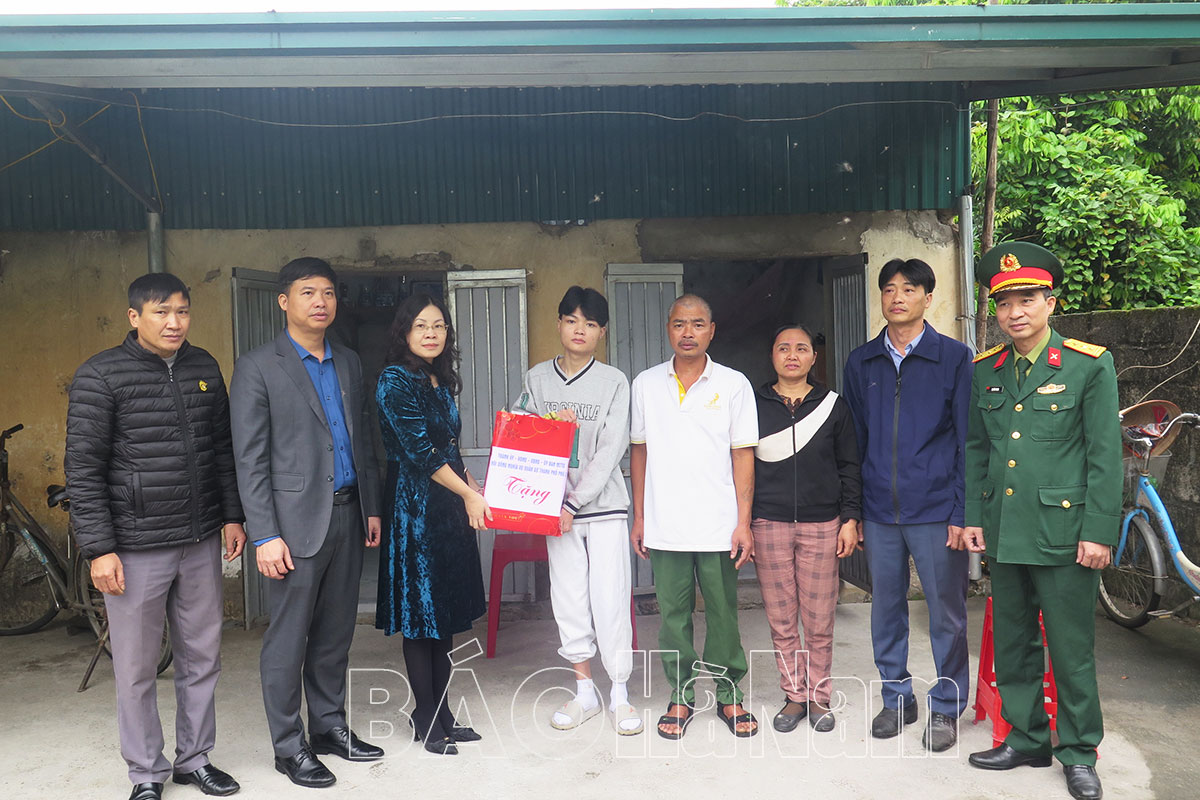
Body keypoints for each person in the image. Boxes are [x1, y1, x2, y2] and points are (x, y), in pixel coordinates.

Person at [65, 273, 246, 800]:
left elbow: (222, 450)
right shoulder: (100, 375)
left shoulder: (203, 367)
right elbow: (83, 470)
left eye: (182, 311)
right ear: (134, 316)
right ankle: (146, 771)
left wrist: (232, 516)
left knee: (202, 657)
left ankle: (195, 759)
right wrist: (99, 548)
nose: (174, 322)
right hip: (134, 546)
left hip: (199, 538)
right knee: (137, 667)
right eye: (161, 312)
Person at [963, 242, 1120, 800]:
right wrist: (975, 517)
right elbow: (978, 448)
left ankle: (1078, 751)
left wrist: (1099, 531)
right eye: (1005, 303)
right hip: (1006, 530)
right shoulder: (987, 370)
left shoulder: (1087, 364)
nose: (1015, 313)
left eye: (1027, 299)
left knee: (1071, 650)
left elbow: (1105, 455)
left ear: (1050, 303)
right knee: (1014, 642)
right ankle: (1028, 738)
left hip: (1065, 533)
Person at [229, 258, 383, 789]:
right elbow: (249, 459)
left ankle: (328, 727)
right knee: (288, 640)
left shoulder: (349, 361)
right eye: (308, 292)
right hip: (292, 526)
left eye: (329, 293)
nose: (321, 301)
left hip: (348, 512)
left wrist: (371, 505)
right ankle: (288, 746)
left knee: (336, 634)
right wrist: (265, 533)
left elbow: (361, 437)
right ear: (284, 301)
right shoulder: (258, 366)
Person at [841, 257, 972, 752]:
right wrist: (853, 510)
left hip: (935, 509)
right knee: (886, 610)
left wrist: (961, 513)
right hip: (879, 510)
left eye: (909, 288)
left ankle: (947, 706)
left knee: (946, 614)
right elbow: (853, 442)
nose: (898, 297)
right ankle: (896, 698)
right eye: (889, 289)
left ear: (927, 298)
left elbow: (968, 440)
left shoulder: (954, 358)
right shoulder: (862, 362)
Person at [630, 293, 759, 739]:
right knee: (672, 617)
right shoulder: (646, 383)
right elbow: (640, 451)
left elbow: (743, 455)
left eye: (698, 324)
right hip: (665, 523)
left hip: (719, 525)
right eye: (680, 324)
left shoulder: (733, 384)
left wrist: (743, 522)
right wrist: (640, 516)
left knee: (723, 614)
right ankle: (681, 695)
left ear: (712, 330)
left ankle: (729, 694)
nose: (688, 333)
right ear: (668, 328)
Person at [513, 286, 641, 736]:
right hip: (554, 511)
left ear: (602, 331)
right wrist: (551, 425)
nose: (579, 330)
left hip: (600, 508)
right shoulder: (537, 379)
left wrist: (572, 500)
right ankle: (584, 691)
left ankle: (620, 693)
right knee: (568, 599)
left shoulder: (614, 381)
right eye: (571, 321)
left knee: (610, 598)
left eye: (589, 323)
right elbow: (519, 432)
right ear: (559, 324)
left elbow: (611, 449)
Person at [374, 292, 488, 756]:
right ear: (404, 332)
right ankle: (425, 716)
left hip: (447, 509)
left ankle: (442, 712)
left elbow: (448, 449)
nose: (431, 333)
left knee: (443, 616)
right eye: (421, 325)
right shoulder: (395, 381)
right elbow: (421, 453)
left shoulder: (437, 378)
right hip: (416, 511)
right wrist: (469, 496)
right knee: (421, 618)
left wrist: (474, 487)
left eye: (439, 325)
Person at [751, 324, 861, 734]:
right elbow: (739, 466)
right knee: (781, 619)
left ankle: (818, 696)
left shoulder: (833, 405)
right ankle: (794, 696)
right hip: (768, 522)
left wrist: (850, 519)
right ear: (772, 355)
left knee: (818, 619)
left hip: (822, 524)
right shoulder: (753, 404)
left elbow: (850, 466)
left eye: (801, 348)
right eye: (784, 348)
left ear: (814, 357)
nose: (792, 355)